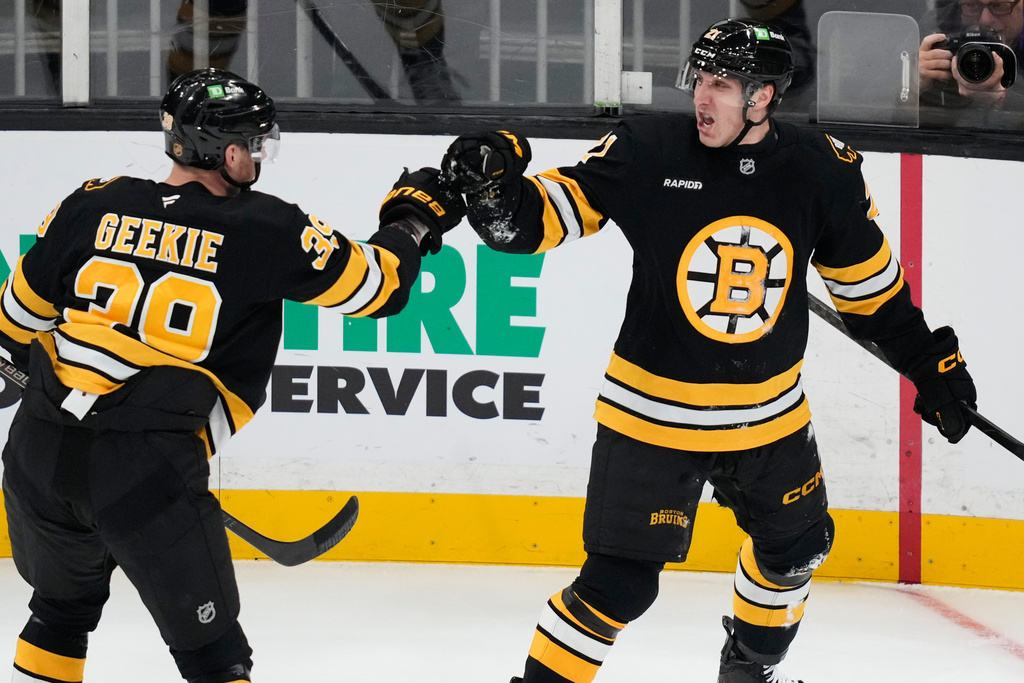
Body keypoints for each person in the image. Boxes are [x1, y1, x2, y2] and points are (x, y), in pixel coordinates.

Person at [442, 18, 977, 683]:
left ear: (764, 97)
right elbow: (545, 216)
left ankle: (748, 673)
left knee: (798, 549)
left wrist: (933, 365)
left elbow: (872, 295)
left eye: (723, 84)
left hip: (769, 419)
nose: (703, 96)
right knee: (618, 585)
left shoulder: (820, 172)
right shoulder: (651, 150)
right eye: (701, 79)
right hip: (652, 418)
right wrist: (498, 194)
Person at [0, 67, 463, 683]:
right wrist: (412, 223)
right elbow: (379, 287)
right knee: (216, 657)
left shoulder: (91, 202)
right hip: (147, 465)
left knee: (59, 614)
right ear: (231, 152)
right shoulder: (266, 226)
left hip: (37, 451)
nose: (263, 157)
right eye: (258, 143)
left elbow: (13, 324)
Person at [919, 0, 1024, 108]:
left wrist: (1001, 97)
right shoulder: (935, 27)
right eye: (972, 5)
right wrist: (914, 84)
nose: (985, 20)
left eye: (999, 5)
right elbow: (906, 111)